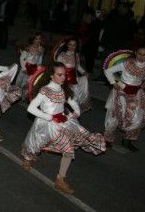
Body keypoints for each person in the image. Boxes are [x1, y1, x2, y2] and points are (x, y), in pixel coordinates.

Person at [21, 62, 106, 194]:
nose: (63, 78)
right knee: (35, 144)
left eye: (64, 75)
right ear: (51, 76)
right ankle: (27, 158)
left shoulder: (63, 89)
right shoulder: (45, 91)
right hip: (46, 123)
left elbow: (72, 101)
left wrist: (76, 111)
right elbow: (31, 108)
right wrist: (47, 116)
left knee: (68, 149)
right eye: (59, 75)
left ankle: (60, 179)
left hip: (62, 121)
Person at [103, 44, 145, 151]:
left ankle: (128, 140)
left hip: (136, 93)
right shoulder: (127, 63)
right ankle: (107, 139)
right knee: (114, 116)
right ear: (135, 53)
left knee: (137, 118)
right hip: (121, 92)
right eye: (140, 54)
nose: (142, 57)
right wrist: (114, 83)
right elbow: (108, 71)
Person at [56, 38, 91, 113]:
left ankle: (71, 112)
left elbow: (77, 66)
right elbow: (58, 69)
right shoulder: (61, 55)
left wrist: (84, 72)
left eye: (74, 45)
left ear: (76, 46)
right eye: (70, 44)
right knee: (66, 97)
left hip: (74, 79)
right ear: (67, 45)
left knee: (75, 97)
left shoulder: (76, 55)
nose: (71, 47)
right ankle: (63, 111)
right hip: (64, 80)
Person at [16, 32, 44, 98]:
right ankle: (17, 94)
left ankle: (24, 95)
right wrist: (23, 68)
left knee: (30, 82)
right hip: (26, 67)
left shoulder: (41, 49)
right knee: (21, 81)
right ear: (33, 39)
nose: (38, 40)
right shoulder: (28, 48)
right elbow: (22, 58)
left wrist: (39, 67)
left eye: (39, 39)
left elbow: (40, 58)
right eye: (36, 39)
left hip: (34, 68)